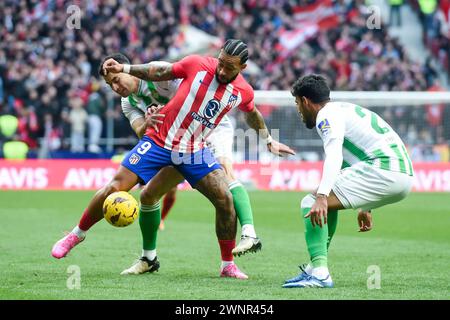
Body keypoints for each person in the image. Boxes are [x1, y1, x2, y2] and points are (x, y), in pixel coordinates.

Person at [52, 39, 294, 280]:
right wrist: (130, 84)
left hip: (195, 145)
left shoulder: (242, 91)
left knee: (225, 198)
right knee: (120, 187)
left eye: (229, 67)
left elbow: (252, 113)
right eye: (221, 63)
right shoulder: (194, 66)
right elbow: (158, 71)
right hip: (159, 140)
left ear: (242, 67)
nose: (221, 70)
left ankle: (228, 263)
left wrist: (268, 140)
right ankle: (77, 235)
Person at [283, 75, 413, 288]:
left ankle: (321, 274)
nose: (298, 110)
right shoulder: (344, 109)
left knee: (311, 202)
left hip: (382, 169)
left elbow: (334, 156)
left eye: (297, 103)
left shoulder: (325, 116)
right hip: (402, 175)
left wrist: (322, 196)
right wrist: (367, 205)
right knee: (327, 205)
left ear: (305, 101)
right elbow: (350, 157)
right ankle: (314, 268)